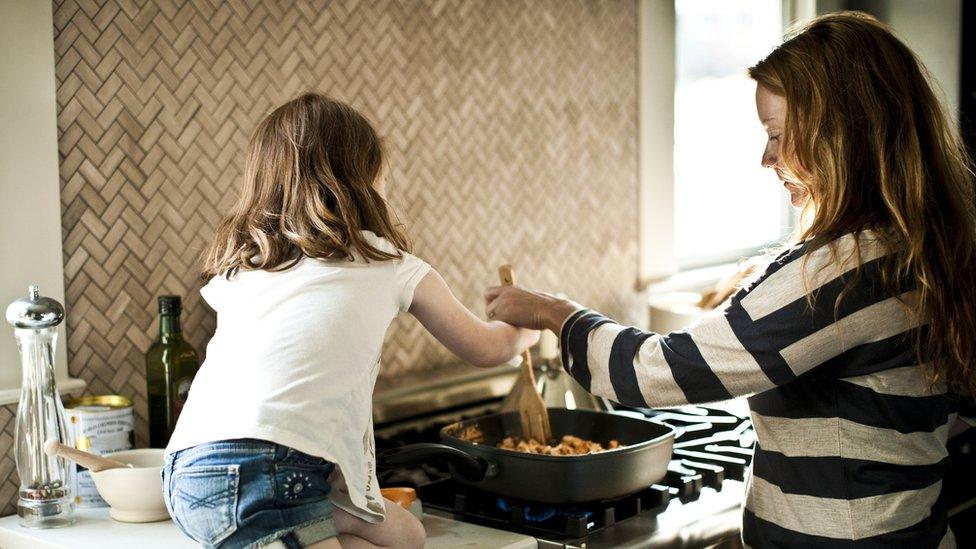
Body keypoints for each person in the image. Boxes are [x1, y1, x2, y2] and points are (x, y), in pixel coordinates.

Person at [485, 12, 976, 547]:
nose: (767, 158)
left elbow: (654, 372)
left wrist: (553, 313)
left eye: (777, 134)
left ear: (843, 132)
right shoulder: (923, 248)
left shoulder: (840, 274)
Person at [162, 93, 538, 549]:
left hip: (185, 473)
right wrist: (533, 320)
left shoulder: (248, 267)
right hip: (269, 474)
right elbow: (489, 348)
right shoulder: (389, 264)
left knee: (407, 536)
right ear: (364, 179)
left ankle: (317, 526)